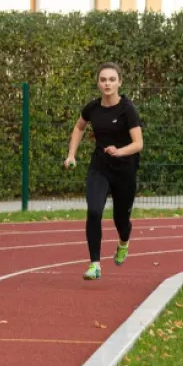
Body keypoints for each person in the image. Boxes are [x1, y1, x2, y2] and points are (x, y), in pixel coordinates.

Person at [64, 63, 143, 280]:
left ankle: (123, 242)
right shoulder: (92, 108)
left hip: (125, 171)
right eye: (103, 80)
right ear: (98, 83)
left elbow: (138, 144)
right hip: (100, 167)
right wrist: (71, 154)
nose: (107, 83)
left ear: (119, 82)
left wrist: (119, 151)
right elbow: (79, 127)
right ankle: (95, 264)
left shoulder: (128, 109)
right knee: (94, 211)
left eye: (111, 79)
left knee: (121, 220)